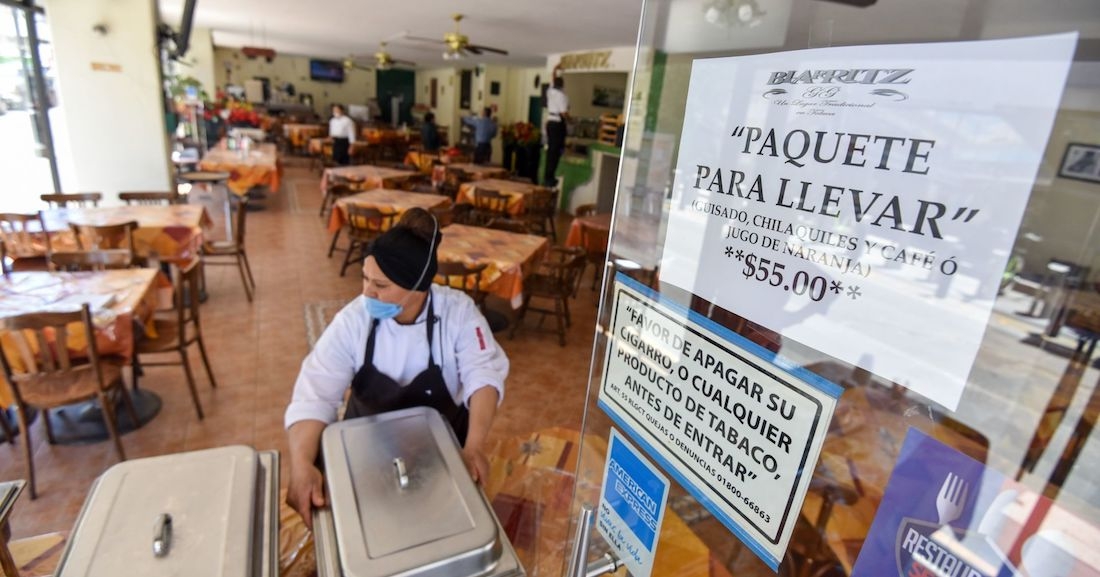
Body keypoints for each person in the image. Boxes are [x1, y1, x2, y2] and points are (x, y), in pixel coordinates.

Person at [284, 208, 508, 527]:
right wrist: (302, 463)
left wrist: (473, 447)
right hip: (365, 457)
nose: (366, 293)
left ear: (418, 286)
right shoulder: (354, 320)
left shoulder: (458, 313)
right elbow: (314, 394)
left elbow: (483, 374)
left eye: (380, 285)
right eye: (365, 279)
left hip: (443, 459)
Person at [544, 76, 569, 187]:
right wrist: (571, 119)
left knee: (551, 150)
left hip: (549, 122)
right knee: (556, 151)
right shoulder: (562, 96)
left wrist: (555, 69)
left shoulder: (550, 92)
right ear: (562, 85)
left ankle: (548, 176)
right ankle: (550, 177)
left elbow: (552, 79)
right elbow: (564, 113)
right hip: (558, 123)